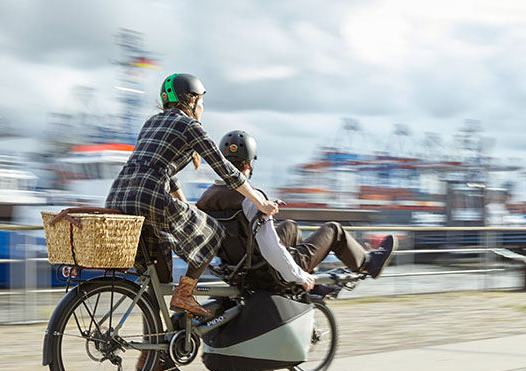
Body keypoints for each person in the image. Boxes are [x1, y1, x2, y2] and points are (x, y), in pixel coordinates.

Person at [106, 74, 278, 318]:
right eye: (202, 101)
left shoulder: (152, 123)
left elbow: (166, 171)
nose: (203, 107)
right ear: (192, 100)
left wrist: (186, 208)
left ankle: (154, 342)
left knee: (158, 279)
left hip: (119, 196)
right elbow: (225, 169)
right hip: (149, 197)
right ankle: (185, 294)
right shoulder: (189, 126)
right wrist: (261, 202)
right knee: (214, 233)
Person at [196, 130, 396, 290]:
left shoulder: (205, 199)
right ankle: (368, 262)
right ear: (249, 164)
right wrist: (298, 276)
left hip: (236, 270)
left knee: (290, 226)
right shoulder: (251, 199)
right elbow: (270, 247)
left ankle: (310, 275)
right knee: (334, 230)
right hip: (268, 271)